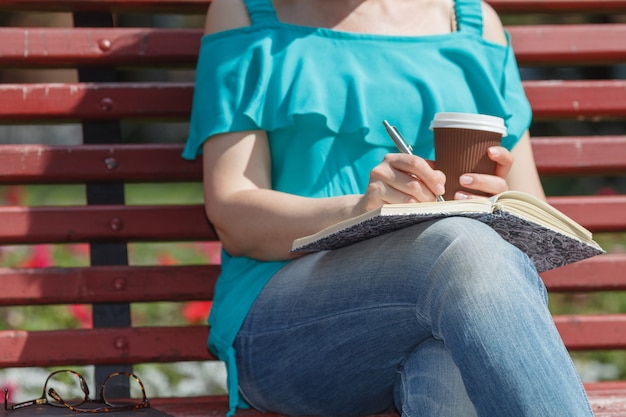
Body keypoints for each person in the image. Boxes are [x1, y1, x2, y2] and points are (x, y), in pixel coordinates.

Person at [182, 0, 594, 415]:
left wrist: (493, 207)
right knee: (462, 247)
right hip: (288, 327)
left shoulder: (474, 23)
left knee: (450, 367)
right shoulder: (247, 11)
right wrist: (362, 210)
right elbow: (234, 215)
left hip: (448, 305)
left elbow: (530, 207)